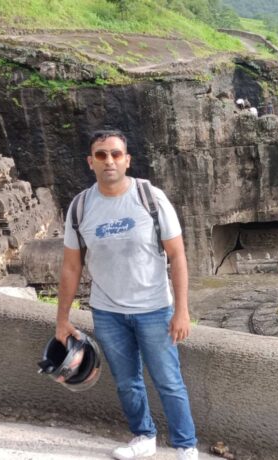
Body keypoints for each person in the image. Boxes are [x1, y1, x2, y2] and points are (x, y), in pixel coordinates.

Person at [55, 130, 197, 460]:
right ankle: (143, 436)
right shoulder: (80, 207)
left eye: (116, 154)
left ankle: (185, 446)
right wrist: (62, 319)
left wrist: (182, 310)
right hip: (107, 312)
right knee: (126, 382)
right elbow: (71, 267)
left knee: (168, 381)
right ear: (90, 162)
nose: (109, 160)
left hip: (154, 309)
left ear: (127, 160)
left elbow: (177, 256)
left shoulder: (151, 198)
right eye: (101, 155)